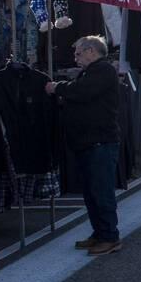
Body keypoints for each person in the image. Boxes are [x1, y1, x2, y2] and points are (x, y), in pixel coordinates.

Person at [45, 36, 124, 255]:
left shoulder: (103, 70)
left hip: (100, 142)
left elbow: (81, 91)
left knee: (101, 191)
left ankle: (110, 236)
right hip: (88, 142)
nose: (75, 57)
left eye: (79, 53)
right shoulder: (91, 72)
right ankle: (99, 232)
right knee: (91, 193)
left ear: (91, 51)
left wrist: (57, 87)